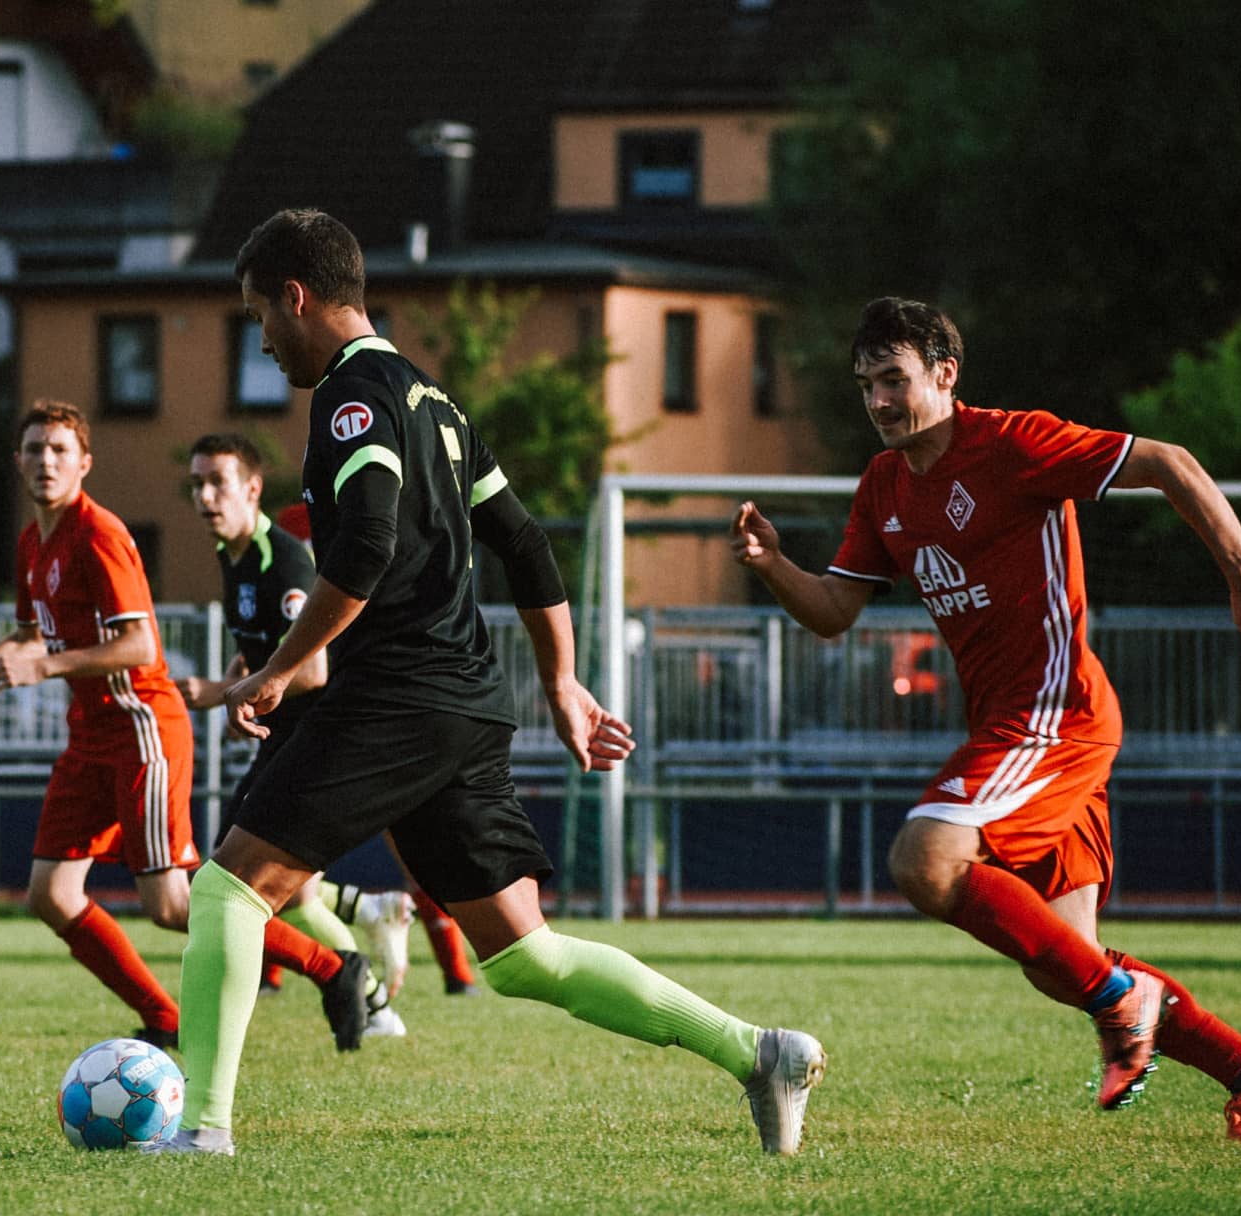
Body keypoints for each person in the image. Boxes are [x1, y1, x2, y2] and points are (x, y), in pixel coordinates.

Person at [148, 208, 826, 1158]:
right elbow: (524, 543)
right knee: (522, 955)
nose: (261, 338)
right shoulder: (438, 403)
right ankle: (759, 1051)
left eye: (260, 314)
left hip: (397, 698)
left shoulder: (352, 402)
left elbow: (371, 545)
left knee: (227, 891)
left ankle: (202, 1131)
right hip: (466, 705)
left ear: (298, 298)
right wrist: (563, 684)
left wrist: (281, 665)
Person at [731, 297, 1241, 1143]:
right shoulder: (883, 484)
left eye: (894, 380)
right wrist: (773, 563)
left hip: (1056, 713)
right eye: (866, 387)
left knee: (924, 858)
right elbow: (831, 613)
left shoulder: (1012, 444)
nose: (880, 402)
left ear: (945, 373)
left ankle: (1126, 1002)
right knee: (1064, 960)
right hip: (1013, 725)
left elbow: (1173, 462)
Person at [0, 400, 374, 1054]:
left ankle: (332, 968)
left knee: (173, 908)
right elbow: (28, 636)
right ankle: (165, 1016)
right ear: (19, 462)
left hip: (142, 728)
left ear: (85, 463)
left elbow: (140, 646)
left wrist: (45, 668)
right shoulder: (34, 542)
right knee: (51, 895)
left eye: (61, 450)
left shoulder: (100, 534)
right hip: (89, 735)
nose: (46, 462)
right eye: (35, 449)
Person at [180, 431, 479, 1000]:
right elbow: (270, 646)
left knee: (236, 881)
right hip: (293, 736)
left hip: (329, 735)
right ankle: (368, 972)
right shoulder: (232, 554)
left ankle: (375, 984)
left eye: (217, 482)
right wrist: (239, 677)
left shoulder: (284, 558)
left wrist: (226, 689)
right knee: (261, 887)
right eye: (196, 484)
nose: (206, 496)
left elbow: (312, 671)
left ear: (252, 489)